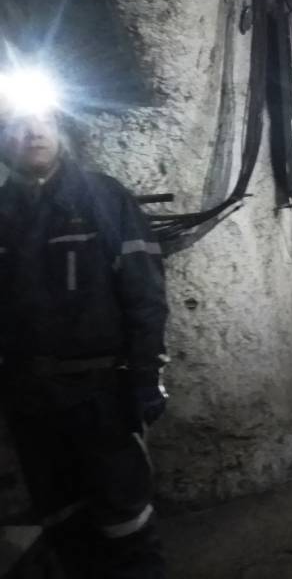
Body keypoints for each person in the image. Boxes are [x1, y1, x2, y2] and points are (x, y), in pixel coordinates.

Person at [0, 72, 168, 577]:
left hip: (101, 393)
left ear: (61, 130)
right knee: (63, 522)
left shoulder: (103, 198)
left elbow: (144, 296)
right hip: (29, 396)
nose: (33, 131)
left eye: (44, 120)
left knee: (125, 520)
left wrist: (145, 377)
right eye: (17, 123)